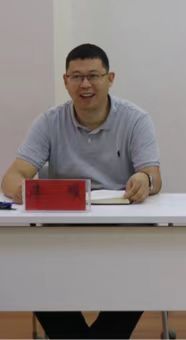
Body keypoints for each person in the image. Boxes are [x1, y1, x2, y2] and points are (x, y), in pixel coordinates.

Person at [1, 43, 162, 339]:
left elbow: (154, 176)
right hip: (63, 230)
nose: (85, 84)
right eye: (76, 77)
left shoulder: (135, 119)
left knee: (143, 268)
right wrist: (25, 190)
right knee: (31, 270)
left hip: (122, 231)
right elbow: (12, 177)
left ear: (110, 78)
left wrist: (144, 179)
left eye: (93, 76)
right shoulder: (49, 121)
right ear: (65, 81)